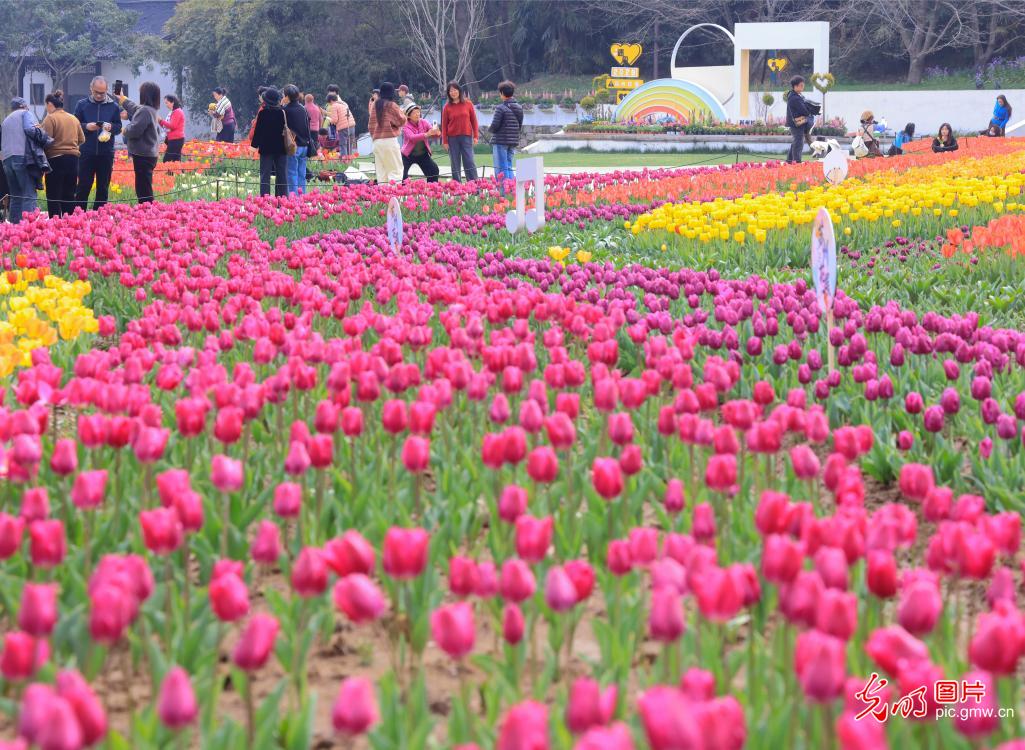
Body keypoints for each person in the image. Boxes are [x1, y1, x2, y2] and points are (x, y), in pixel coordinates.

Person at [73, 76, 121, 210]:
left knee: (103, 188)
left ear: (106, 90)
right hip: (86, 152)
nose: (99, 95)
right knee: (83, 186)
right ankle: (78, 218)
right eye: (96, 92)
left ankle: (99, 219)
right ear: (91, 89)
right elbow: (75, 125)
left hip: (106, 153)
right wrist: (86, 126)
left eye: (103, 93)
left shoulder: (114, 106)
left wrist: (111, 127)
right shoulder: (82, 105)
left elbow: (118, 127)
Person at [1, 98, 51, 223]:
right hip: (22, 158)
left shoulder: (6, 120)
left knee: (16, 196)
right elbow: (29, 129)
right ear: (23, 106)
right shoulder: (25, 114)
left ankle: (13, 229)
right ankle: (27, 228)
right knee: (29, 194)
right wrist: (42, 134)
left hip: (7, 160)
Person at [41, 90, 84, 217]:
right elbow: (82, 139)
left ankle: (55, 225)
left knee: (53, 195)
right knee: (69, 194)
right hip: (73, 160)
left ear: (50, 104)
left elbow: (45, 140)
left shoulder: (50, 118)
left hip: (55, 160)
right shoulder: (73, 118)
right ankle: (69, 226)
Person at [117, 81, 161, 204]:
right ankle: (147, 211)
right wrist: (122, 99)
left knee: (143, 189)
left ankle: (147, 212)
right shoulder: (149, 109)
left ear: (145, 94)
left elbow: (135, 130)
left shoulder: (145, 111)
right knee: (144, 185)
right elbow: (134, 108)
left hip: (143, 155)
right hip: (149, 154)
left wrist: (123, 130)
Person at [250, 87, 288, 197]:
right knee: (281, 175)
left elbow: (258, 133)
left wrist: (253, 147)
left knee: (265, 175)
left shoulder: (263, 114)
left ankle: (264, 199)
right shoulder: (282, 113)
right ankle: (281, 198)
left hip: (266, 148)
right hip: (281, 148)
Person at [489, 80, 523, 196]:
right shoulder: (519, 107)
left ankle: (503, 194)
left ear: (502, 93)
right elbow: (520, 124)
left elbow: (495, 125)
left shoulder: (500, 108)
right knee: (508, 166)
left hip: (500, 141)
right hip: (513, 141)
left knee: (501, 169)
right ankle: (513, 191)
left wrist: (490, 130)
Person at [441, 81, 478, 181]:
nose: (453, 92)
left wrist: (475, 136)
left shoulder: (468, 103)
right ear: (449, 93)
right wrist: (444, 141)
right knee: (455, 163)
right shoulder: (447, 107)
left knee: (469, 161)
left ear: (459, 90)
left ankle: (474, 186)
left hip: (466, 137)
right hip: (452, 139)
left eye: (455, 90)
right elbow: (444, 125)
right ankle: (457, 187)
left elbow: (474, 121)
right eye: (450, 91)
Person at [369, 82, 405, 183]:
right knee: (395, 171)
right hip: (389, 141)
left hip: (376, 142)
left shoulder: (375, 105)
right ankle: (394, 196)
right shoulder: (391, 105)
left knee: (381, 174)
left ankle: (383, 197)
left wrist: (375, 136)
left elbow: (370, 125)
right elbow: (401, 120)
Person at [283, 84, 312, 195]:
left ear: (287, 96)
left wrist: (281, 105)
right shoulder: (303, 109)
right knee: (301, 173)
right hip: (304, 145)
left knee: (292, 173)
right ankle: (302, 195)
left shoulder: (285, 110)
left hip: (294, 146)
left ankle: (294, 197)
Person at [400, 103, 440, 182]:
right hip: (407, 155)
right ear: (408, 115)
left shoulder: (424, 122)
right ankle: (402, 192)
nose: (417, 114)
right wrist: (427, 134)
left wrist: (437, 133)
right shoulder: (405, 125)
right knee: (402, 175)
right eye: (414, 113)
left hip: (422, 154)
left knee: (434, 170)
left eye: (418, 112)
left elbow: (432, 132)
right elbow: (412, 138)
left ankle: (432, 188)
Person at [784, 75, 814, 164]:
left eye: (803, 85)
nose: (803, 87)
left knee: (796, 142)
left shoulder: (795, 95)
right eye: (801, 85)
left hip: (795, 123)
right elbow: (804, 110)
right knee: (798, 142)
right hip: (796, 124)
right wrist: (811, 110)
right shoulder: (795, 97)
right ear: (795, 86)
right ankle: (797, 162)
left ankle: (789, 161)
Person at [159, 94, 186, 163]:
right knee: (175, 160)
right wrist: (160, 121)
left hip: (176, 139)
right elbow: (167, 126)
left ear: (172, 102)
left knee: (167, 160)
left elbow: (172, 126)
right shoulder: (173, 112)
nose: (166, 105)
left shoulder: (177, 112)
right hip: (174, 139)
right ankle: (179, 173)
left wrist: (161, 120)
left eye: (167, 103)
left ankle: (172, 173)